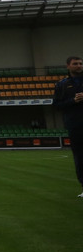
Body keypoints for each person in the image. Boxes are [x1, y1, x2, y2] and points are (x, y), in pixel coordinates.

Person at [51, 55, 83, 197]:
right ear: (68, 66)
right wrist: (73, 101)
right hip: (75, 125)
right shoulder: (62, 84)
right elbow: (57, 105)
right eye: (75, 63)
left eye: (81, 63)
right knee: (80, 157)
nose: (79, 65)